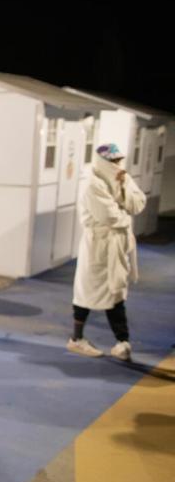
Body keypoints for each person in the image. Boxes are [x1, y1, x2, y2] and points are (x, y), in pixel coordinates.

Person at [67, 143, 146, 361]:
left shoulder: (122, 178)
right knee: (86, 292)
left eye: (119, 159)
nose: (117, 164)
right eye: (113, 161)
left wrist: (122, 190)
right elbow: (109, 216)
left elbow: (138, 203)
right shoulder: (91, 183)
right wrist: (125, 214)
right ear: (103, 162)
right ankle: (76, 339)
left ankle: (122, 341)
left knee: (116, 292)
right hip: (98, 246)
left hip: (116, 245)